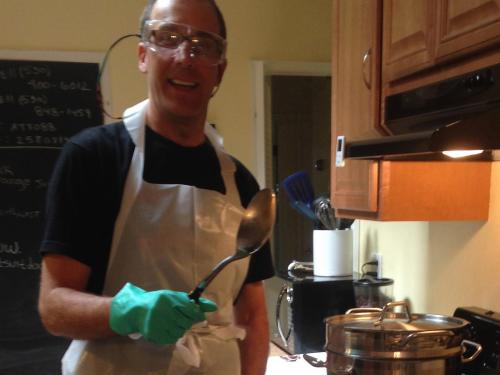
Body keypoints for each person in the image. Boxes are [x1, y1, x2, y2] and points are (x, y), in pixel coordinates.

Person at [37, 0, 274, 374]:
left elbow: (253, 314)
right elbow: (54, 307)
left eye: (203, 45)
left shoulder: (241, 183)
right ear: (143, 55)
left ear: (220, 70)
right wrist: (128, 311)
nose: (185, 56)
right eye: (169, 37)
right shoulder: (92, 158)